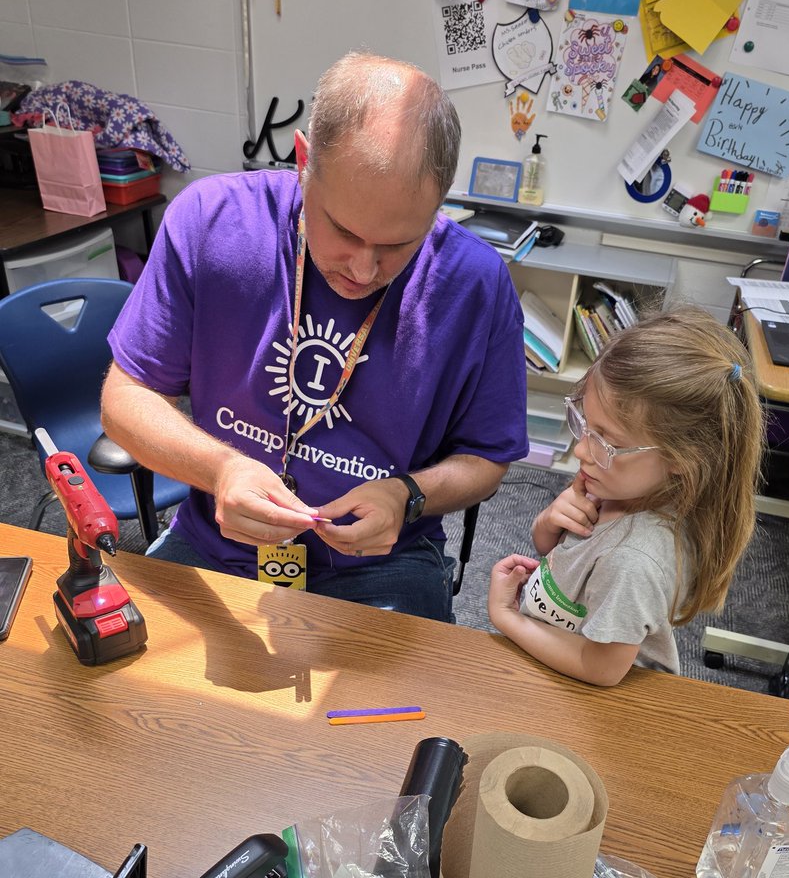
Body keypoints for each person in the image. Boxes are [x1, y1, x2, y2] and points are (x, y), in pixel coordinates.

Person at [101, 52, 529, 621]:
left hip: (385, 561)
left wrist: (408, 495)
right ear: (304, 161)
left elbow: (487, 457)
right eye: (344, 231)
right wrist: (220, 471)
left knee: (409, 710)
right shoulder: (210, 221)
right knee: (134, 693)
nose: (362, 268)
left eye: (398, 244)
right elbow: (124, 400)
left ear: (438, 204)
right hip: (218, 544)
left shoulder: (475, 284)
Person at [488, 309, 764, 685]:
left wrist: (508, 617)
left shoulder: (632, 562)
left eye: (605, 441)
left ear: (681, 459)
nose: (582, 451)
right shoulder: (613, 481)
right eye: (583, 423)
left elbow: (601, 669)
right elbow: (556, 551)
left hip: (595, 701)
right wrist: (548, 523)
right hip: (553, 661)